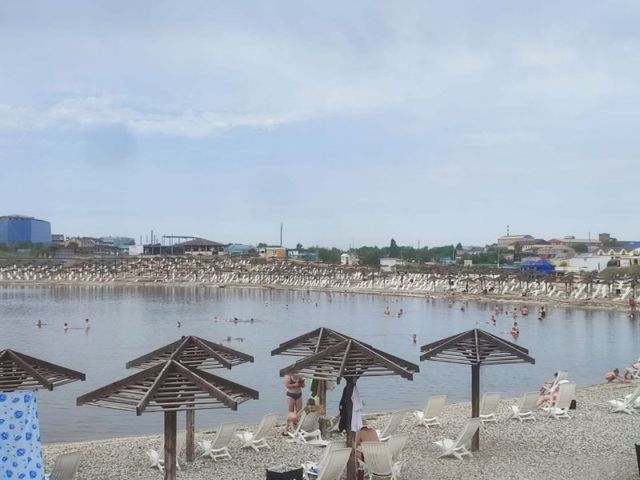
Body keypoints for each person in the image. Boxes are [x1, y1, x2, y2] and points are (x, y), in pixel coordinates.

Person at [283, 370, 305, 434]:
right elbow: (287, 385)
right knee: (291, 412)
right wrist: (295, 384)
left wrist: (302, 383)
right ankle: (287, 428)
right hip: (291, 395)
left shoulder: (299, 376)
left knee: (299, 412)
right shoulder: (288, 376)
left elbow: (303, 386)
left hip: (299, 394)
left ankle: (296, 426)